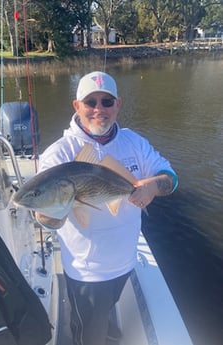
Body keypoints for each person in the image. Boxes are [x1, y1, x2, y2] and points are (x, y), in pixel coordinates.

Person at [36, 71, 178, 345]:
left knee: (107, 309)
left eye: (107, 101)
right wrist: (47, 215)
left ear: (118, 105)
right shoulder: (59, 154)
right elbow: (47, 221)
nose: (99, 109)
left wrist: (152, 186)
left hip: (126, 262)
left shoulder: (133, 141)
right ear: (77, 106)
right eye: (90, 102)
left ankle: (105, 325)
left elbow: (170, 177)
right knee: (87, 334)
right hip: (87, 271)